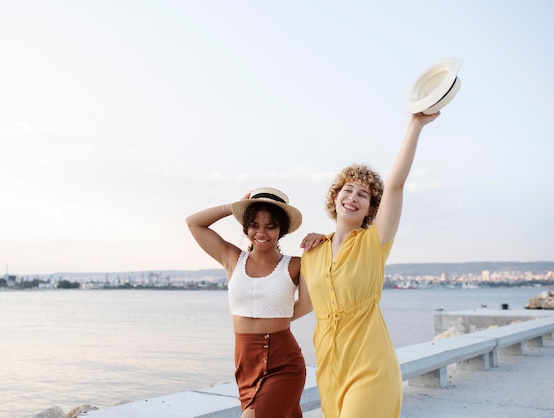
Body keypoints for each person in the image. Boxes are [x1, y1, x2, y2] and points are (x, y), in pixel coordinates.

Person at [294, 112, 441, 417]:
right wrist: (255, 325)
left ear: (372, 208)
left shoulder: (375, 242)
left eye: (363, 194)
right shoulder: (312, 252)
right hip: (330, 367)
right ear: (335, 197)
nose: (353, 197)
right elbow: (303, 306)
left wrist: (415, 124)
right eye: (347, 189)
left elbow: (396, 186)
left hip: (371, 364)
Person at [186, 187, 308, 418]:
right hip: (245, 363)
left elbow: (307, 304)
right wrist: (232, 207)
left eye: (271, 226)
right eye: (254, 225)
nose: (261, 232)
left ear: (281, 230)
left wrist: (277, 317)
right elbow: (194, 223)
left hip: (284, 362)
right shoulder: (232, 258)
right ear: (246, 226)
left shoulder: (296, 265)